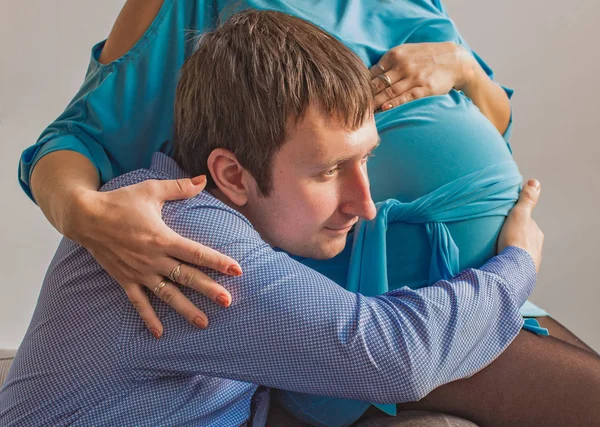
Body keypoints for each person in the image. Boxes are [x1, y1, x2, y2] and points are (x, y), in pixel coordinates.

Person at [13, 0, 598, 424]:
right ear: (232, 174)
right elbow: (75, 137)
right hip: (349, 303)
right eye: (328, 171)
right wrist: (87, 212)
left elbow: (485, 127)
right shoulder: (190, 244)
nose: (365, 201)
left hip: (383, 296)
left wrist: (465, 70)